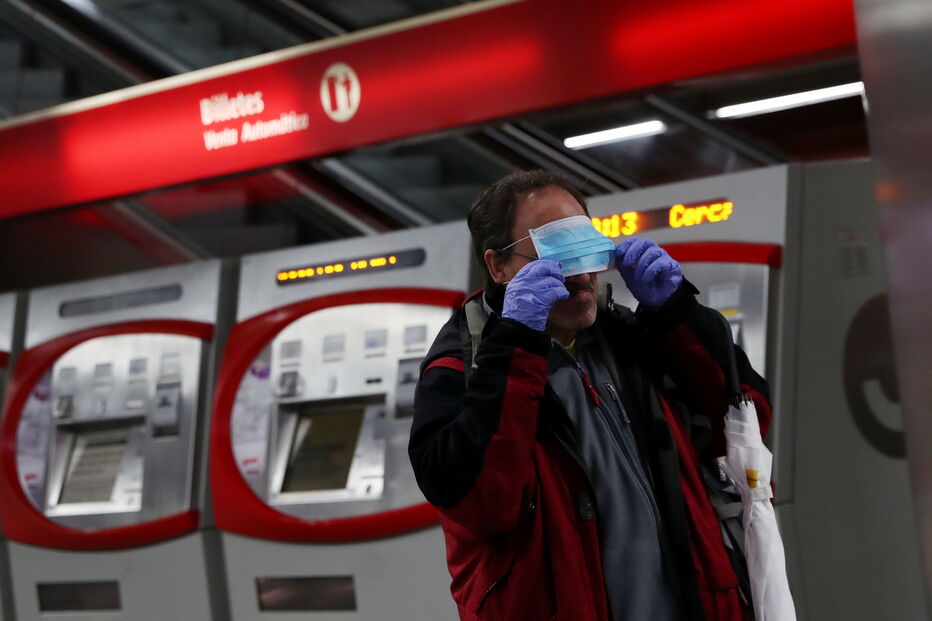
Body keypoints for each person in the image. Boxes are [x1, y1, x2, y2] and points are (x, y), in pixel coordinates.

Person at [408, 170, 772, 621]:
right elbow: (481, 508)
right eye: (554, 254)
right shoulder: (459, 369)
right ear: (498, 266)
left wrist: (679, 314)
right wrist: (514, 346)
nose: (579, 274)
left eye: (584, 247)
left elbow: (746, 424)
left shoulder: (631, 339)